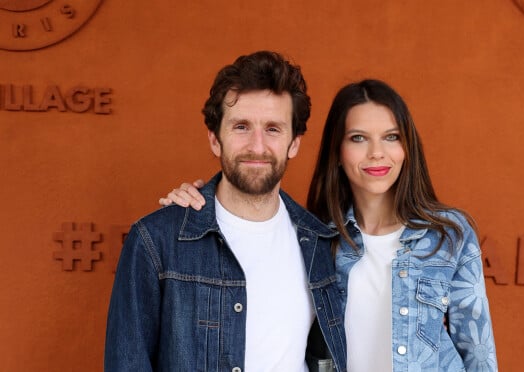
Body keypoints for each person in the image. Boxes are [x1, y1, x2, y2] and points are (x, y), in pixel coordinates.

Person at [161, 79, 498, 371]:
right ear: (337, 151)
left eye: (391, 136)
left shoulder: (448, 235)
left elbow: (478, 353)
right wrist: (197, 200)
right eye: (358, 138)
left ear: (407, 146)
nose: (377, 153)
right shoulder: (314, 239)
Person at [105, 50, 347, 372]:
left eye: (273, 129)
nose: (257, 146)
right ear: (215, 140)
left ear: (294, 143)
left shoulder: (320, 243)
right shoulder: (157, 242)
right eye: (241, 127)